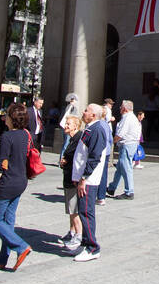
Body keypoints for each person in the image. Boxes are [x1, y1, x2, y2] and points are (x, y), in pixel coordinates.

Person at [0, 101, 34, 271]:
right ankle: (2, 258)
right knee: (8, 220)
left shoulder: (7, 137)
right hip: (21, 181)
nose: (4, 117)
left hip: (8, 182)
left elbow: (2, 164)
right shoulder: (26, 134)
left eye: (6, 114)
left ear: (11, 118)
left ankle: (21, 246)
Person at [70, 103, 110, 261]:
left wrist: (84, 178)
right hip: (84, 178)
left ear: (93, 115)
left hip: (89, 180)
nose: (83, 112)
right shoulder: (91, 128)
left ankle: (93, 247)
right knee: (83, 211)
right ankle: (85, 244)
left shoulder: (97, 129)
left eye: (86, 110)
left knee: (86, 213)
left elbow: (94, 157)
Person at [58, 114, 84, 251]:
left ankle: (78, 235)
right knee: (70, 209)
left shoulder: (78, 138)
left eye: (68, 124)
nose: (66, 126)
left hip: (73, 179)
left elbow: (77, 157)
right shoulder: (73, 138)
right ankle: (72, 232)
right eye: (66, 123)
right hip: (69, 178)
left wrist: (65, 160)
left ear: (76, 126)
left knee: (74, 210)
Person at [108, 100, 140, 199]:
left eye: (121, 107)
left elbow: (121, 133)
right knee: (121, 168)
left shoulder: (127, 118)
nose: (120, 109)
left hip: (127, 144)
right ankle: (112, 187)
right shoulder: (131, 117)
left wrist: (111, 142)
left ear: (125, 109)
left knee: (126, 168)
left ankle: (129, 192)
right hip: (130, 144)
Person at [57, 93, 81, 163]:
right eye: (72, 100)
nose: (73, 102)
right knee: (66, 144)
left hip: (69, 128)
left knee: (66, 144)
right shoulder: (69, 107)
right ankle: (62, 160)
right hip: (67, 128)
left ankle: (62, 159)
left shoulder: (72, 108)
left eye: (73, 100)